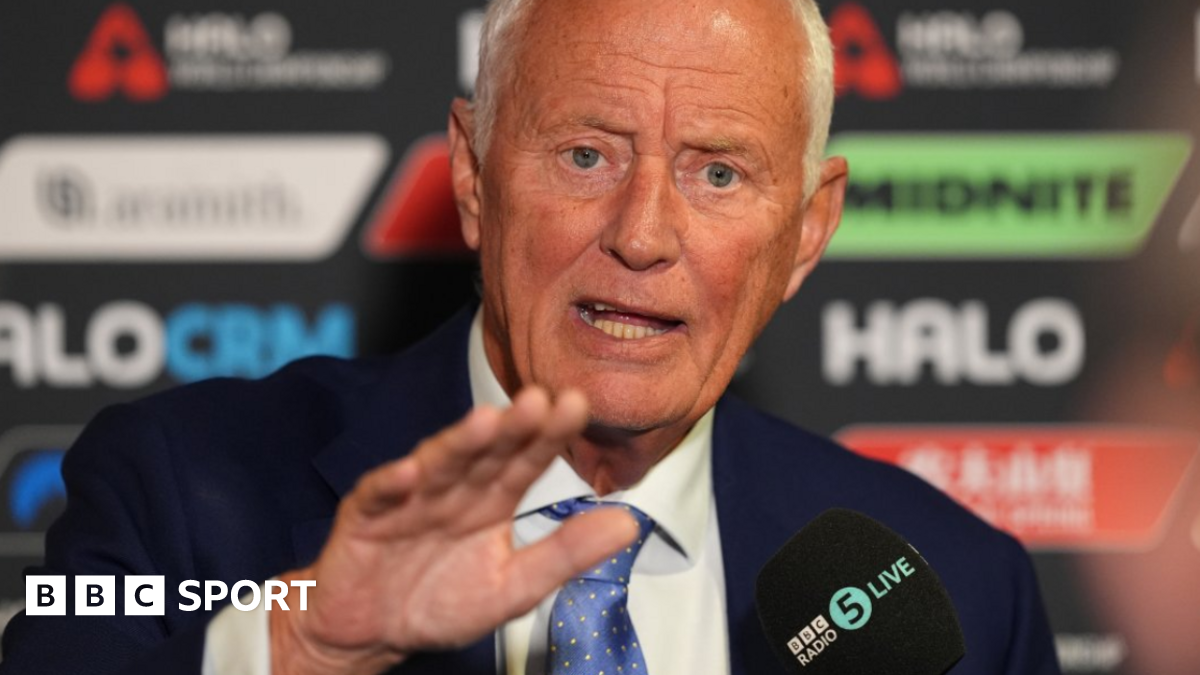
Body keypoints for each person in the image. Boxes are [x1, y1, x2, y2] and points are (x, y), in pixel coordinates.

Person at [0, 0, 1061, 673]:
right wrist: (297, 648)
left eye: (719, 172)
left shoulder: (964, 591)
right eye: (587, 156)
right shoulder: (178, 487)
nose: (643, 236)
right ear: (473, 176)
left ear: (808, 233)